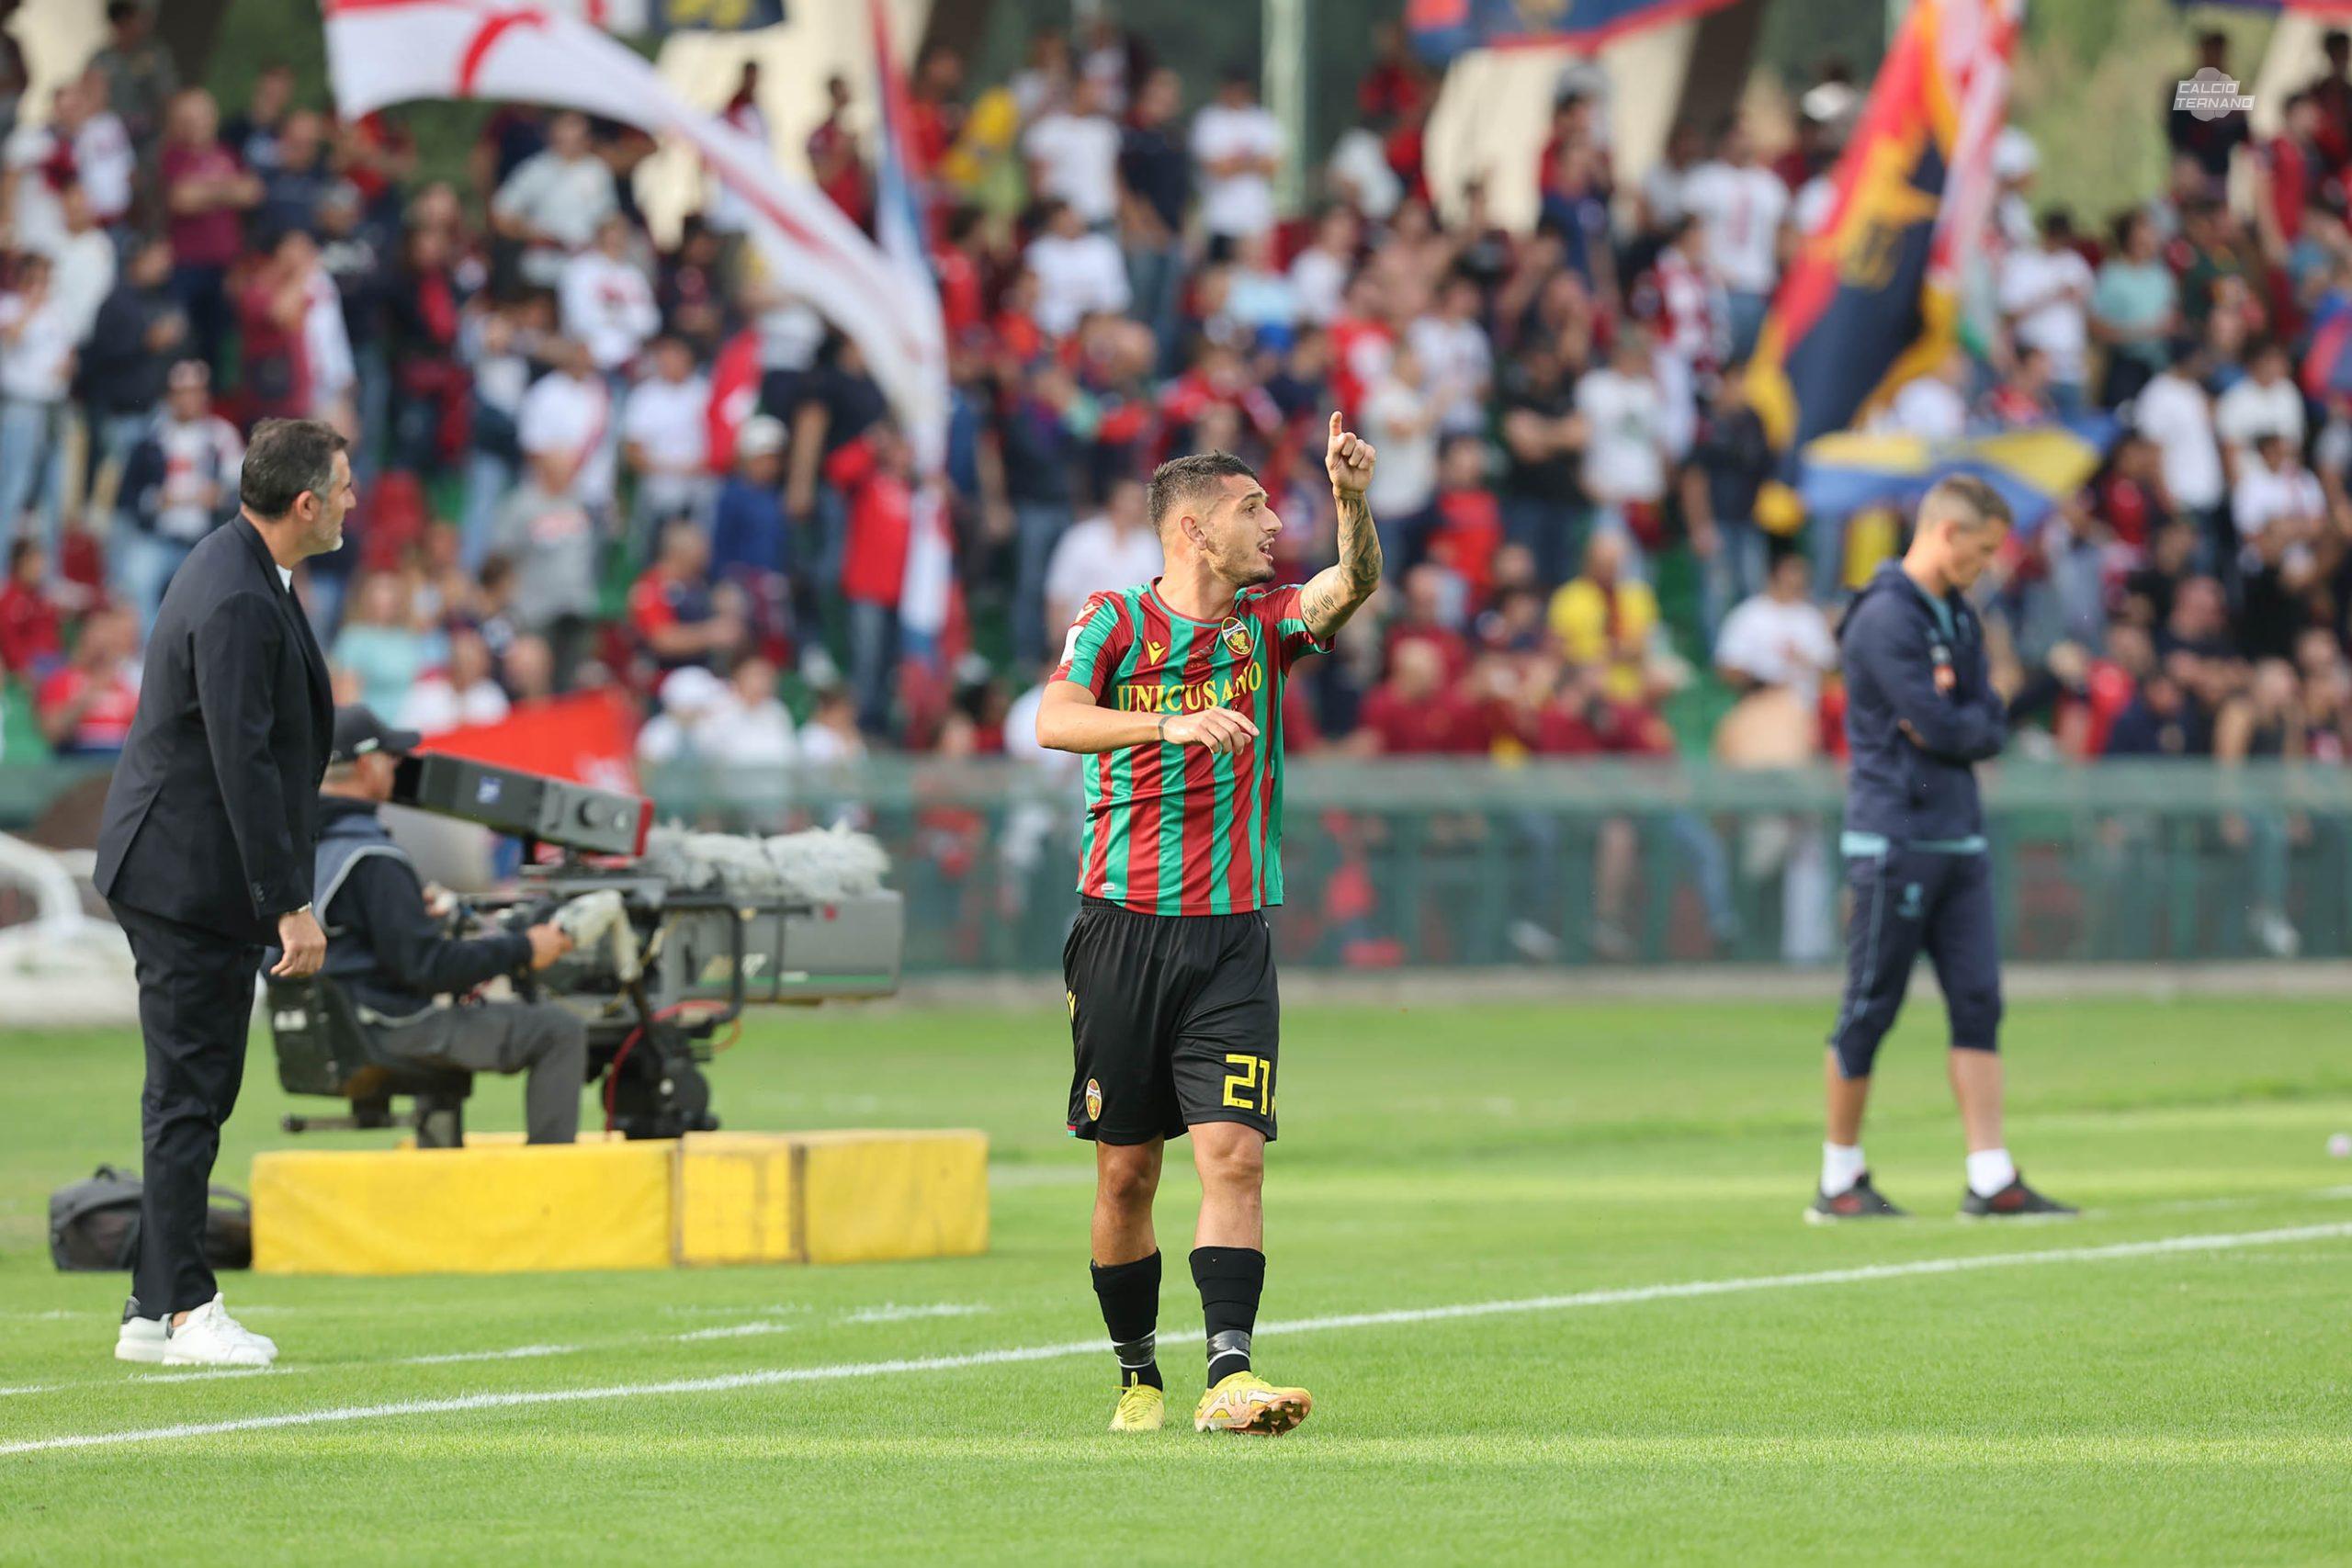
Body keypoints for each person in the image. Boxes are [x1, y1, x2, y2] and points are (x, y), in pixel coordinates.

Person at [1035, 412, 1382, 1436]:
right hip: (1121, 932)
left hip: (1231, 937)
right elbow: (1055, 720)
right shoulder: (1112, 620)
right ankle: (1136, 1373)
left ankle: (1228, 1371)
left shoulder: (1265, 622)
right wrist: (1169, 720)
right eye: (1252, 508)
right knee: (1126, 1171)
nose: (1276, 523)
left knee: (1233, 1155)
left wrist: (1355, 503)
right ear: (1189, 531)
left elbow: (1349, 586)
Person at [94, 418, 349, 1368]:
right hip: (185, 872)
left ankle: (149, 1305)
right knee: (191, 1091)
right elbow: (239, 757)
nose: (355, 501)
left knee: (192, 1088)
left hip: (176, 864)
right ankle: (188, 1310)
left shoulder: (235, 564)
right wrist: (287, 899)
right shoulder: (242, 595)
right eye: (345, 485)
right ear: (307, 503)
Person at [1815, 475, 2074, 1224]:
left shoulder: (1956, 611)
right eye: (1983, 549)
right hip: (1895, 834)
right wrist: (1968, 725)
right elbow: (1950, 724)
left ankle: (1990, 1177)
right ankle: (1839, 1178)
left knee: (1978, 1001)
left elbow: (1980, 718)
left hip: (1958, 831)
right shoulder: (1882, 617)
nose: (1988, 565)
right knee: (1870, 1005)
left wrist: (1969, 725)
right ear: (1945, 533)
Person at [309, 706, 586, 1144]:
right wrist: (525, 947)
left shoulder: (306, 847)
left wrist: (409, 918)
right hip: (391, 1030)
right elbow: (427, 968)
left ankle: (439, 1163)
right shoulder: (373, 859)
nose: (399, 766)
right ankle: (549, 1190)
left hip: (340, 1029)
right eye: (391, 758)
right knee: (558, 1030)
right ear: (367, 765)